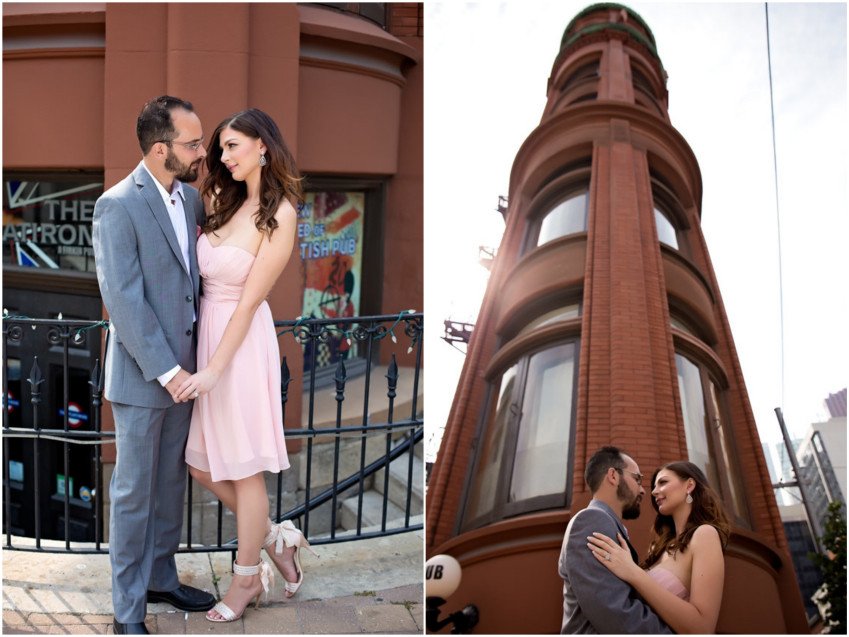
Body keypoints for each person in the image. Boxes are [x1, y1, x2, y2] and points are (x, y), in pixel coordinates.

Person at [178, 108, 314, 623]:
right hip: (207, 332)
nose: (224, 157)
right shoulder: (218, 198)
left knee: (244, 469)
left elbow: (250, 301)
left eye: (233, 145)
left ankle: (246, 578)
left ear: (263, 146)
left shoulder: (280, 215)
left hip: (239, 342)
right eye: (222, 148)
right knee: (199, 462)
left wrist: (214, 368)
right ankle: (278, 537)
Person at [93, 95, 216, 635]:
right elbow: (123, 299)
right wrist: (169, 373)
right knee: (134, 496)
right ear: (161, 148)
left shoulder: (189, 200)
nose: (201, 150)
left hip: (188, 377)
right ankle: (127, 613)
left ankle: (161, 578)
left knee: (169, 486)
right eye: (192, 143)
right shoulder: (116, 204)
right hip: (146, 380)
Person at [586, 461, 729, 633]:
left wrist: (633, 572)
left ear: (689, 485)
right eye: (654, 486)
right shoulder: (657, 548)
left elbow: (703, 628)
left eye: (663, 482)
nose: (653, 492)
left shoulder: (704, 535)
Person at [558, 446, 672, 634]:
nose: (643, 491)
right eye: (637, 479)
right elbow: (617, 615)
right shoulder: (591, 521)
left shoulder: (606, 524)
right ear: (613, 476)